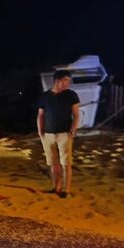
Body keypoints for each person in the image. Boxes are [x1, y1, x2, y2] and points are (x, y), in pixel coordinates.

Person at [36, 70, 80, 198]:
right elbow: (40, 115)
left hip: (64, 134)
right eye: (66, 80)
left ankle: (67, 190)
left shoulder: (71, 95)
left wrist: (73, 130)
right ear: (57, 80)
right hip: (48, 134)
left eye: (69, 81)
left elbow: (76, 114)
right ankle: (56, 187)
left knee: (66, 163)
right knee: (53, 163)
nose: (68, 84)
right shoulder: (45, 96)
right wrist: (40, 132)